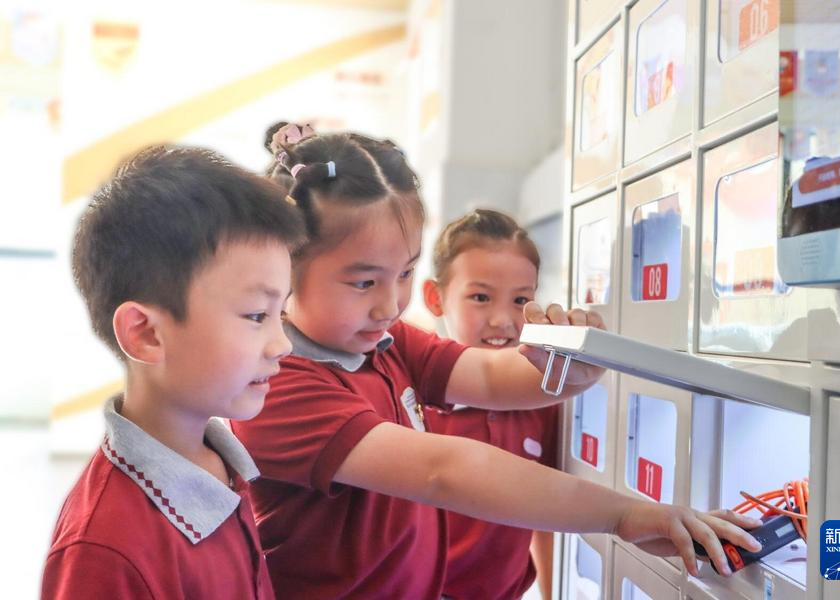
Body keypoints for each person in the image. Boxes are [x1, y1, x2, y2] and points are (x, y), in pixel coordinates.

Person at [233, 124, 763, 600]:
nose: (389, 304)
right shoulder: (278, 384)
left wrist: (568, 367)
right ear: (285, 265)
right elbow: (444, 472)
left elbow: (489, 375)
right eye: (365, 281)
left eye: (405, 273)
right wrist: (623, 514)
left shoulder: (383, 342)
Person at [41, 146, 304, 599]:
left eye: (282, 312)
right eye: (256, 315)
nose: (283, 344)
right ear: (146, 334)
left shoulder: (219, 461)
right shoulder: (104, 550)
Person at [421, 208, 559, 600]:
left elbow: (546, 515)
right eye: (480, 297)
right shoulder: (413, 397)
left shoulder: (543, 400)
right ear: (435, 297)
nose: (502, 320)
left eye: (520, 300)